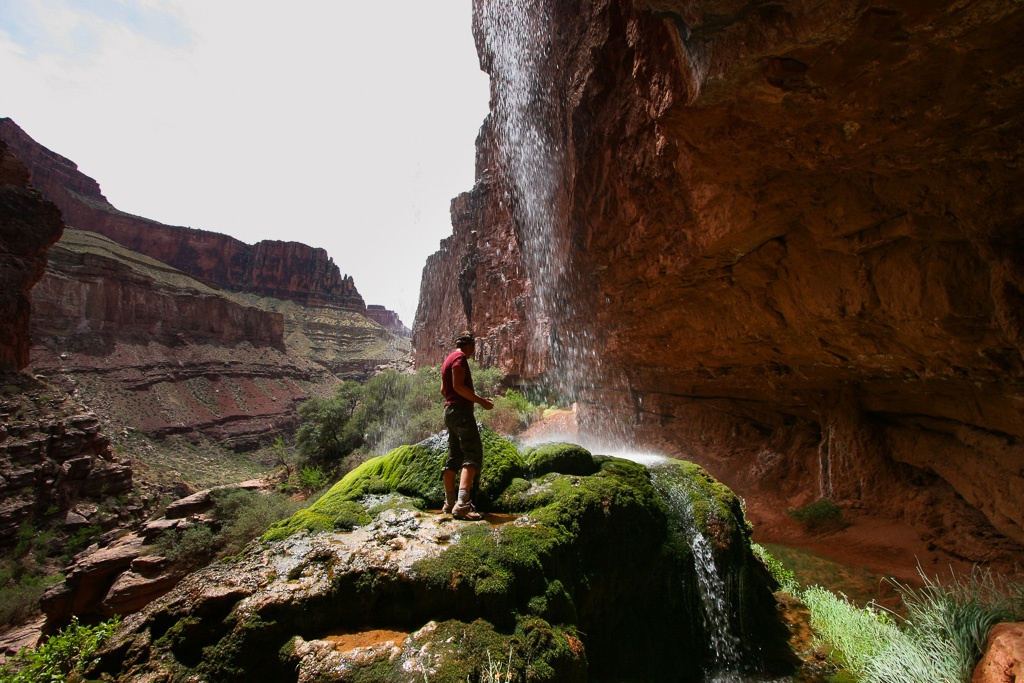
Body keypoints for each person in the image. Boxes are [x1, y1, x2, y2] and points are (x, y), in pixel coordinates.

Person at [441, 331, 493, 520]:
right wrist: (480, 401)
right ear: (469, 345)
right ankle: (462, 505)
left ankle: (448, 503)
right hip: (461, 411)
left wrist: (453, 402)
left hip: (449, 411)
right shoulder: (460, 358)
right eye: (473, 347)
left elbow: (443, 389)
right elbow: (458, 386)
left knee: (454, 456)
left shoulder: (448, 359)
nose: (473, 351)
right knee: (472, 452)